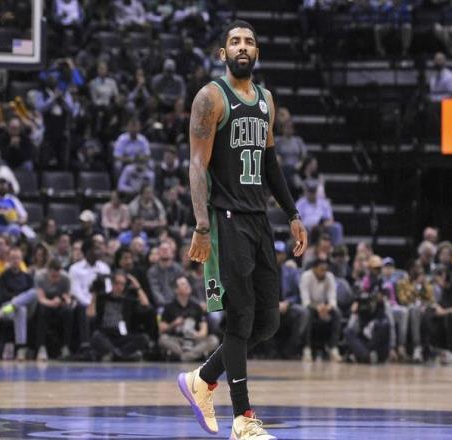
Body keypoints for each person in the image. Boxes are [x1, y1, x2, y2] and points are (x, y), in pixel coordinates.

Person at [177, 20, 307, 440]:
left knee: (267, 323)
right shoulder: (211, 97)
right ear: (223, 54)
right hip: (225, 219)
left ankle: (202, 379)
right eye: (235, 42)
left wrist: (292, 213)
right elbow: (197, 164)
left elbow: (270, 163)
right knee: (241, 318)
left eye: (249, 41)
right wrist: (201, 225)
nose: (242, 47)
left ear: (257, 52)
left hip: (258, 219)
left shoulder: (266, 99)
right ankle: (243, 419)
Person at [158, 275, 219, 361]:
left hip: (193, 339)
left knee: (213, 340)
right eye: (183, 284)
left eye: (187, 283)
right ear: (176, 290)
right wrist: (174, 324)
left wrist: (196, 335)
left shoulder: (197, 307)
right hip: (177, 340)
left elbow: (204, 330)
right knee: (163, 339)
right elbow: (161, 329)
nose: (187, 285)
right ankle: (191, 355)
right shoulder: (169, 307)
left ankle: (186, 356)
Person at [300, 258, 342, 362]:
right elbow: (305, 301)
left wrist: (328, 307)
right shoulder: (306, 276)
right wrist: (317, 307)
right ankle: (307, 349)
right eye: (321, 269)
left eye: (325, 269)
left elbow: (332, 298)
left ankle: (333, 348)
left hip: (325, 307)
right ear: (314, 269)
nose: (324, 272)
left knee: (337, 313)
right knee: (307, 314)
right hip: (311, 307)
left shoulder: (329, 276)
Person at [35, 258, 73, 361]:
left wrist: (62, 300)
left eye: (57, 276)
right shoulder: (40, 277)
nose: (55, 279)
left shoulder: (66, 278)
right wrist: (52, 303)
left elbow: (68, 298)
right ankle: (41, 347)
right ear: (48, 271)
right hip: (45, 302)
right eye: (53, 276)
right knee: (41, 310)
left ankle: (65, 346)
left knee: (68, 311)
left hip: (59, 302)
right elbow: (41, 298)